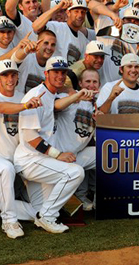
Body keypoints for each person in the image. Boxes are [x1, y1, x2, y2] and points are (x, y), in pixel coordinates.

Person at [14, 56, 85, 234]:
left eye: (63, 72)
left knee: (37, 209)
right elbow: (29, 135)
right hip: (30, 159)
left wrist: (76, 94)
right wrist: (57, 155)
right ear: (46, 73)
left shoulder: (52, 95)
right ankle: (48, 217)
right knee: (75, 172)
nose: (60, 76)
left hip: (39, 159)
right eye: (56, 72)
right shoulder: (35, 95)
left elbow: (60, 104)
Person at [0, 60, 43, 239]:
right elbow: (0, 107)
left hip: (17, 160)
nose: (9, 78)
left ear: (18, 76)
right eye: (5, 75)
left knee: (39, 212)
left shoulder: (24, 95)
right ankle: (9, 221)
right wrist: (25, 106)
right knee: (6, 169)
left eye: (13, 74)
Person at [54, 69, 101, 210]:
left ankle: (101, 201)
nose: (91, 85)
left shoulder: (95, 103)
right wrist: (74, 94)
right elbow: (56, 106)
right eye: (87, 81)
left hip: (75, 155)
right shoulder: (67, 97)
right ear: (80, 84)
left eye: (94, 82)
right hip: (56, 157)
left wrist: (100, 120)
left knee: (107, 155)